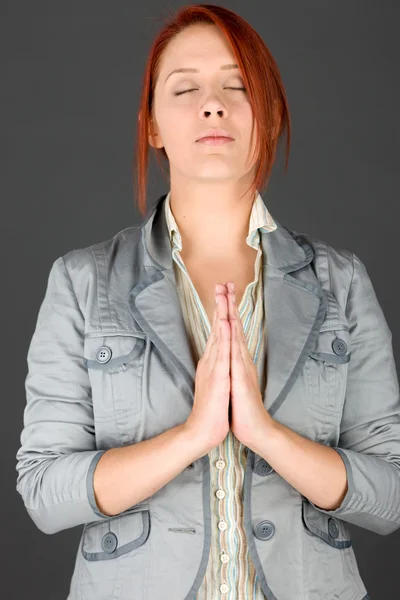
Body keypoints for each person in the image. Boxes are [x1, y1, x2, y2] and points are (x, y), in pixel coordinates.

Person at [15, 4, 398, 600]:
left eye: (237, 85)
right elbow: (45, 491)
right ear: (152, 125)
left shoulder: (342, 283)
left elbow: (391, 493)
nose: (212, 104)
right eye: (185, 87)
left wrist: (266, 435)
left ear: (267, 116)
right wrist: (193, 435)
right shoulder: (81, 283)